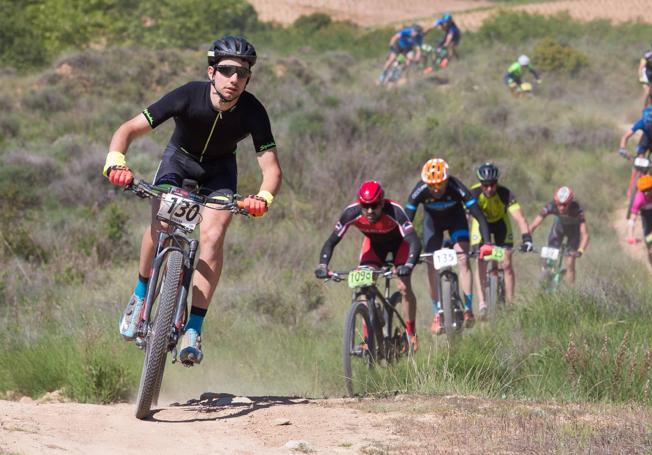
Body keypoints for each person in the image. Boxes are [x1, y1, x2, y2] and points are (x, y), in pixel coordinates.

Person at [105, 36, 282, 365]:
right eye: (227, 70)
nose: (234, 79)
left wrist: (263, 197)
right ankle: (140, 295)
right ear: (211, 71)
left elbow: (271, 168)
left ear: (248, 79)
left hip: (219, 172)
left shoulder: (254, 111)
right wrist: (116, 161)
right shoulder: (187, 95)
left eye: (242, 74)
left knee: (212, 236)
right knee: (160, 222)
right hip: (179, 161)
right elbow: (128, 129)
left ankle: (193, 329)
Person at [315, 181, 422, 351]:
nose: (370, 211)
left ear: (381, 202)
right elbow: (331, 242)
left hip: (400, 244)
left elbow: (414, 241)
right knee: (362, 285)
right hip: (374, 246)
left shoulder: (395, 211)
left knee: (403, 285)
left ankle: (411, 333)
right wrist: (323, 265)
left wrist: (408, 265)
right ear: (360, 204)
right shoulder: (351, 213)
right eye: (365, 206)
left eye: (374, 206)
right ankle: (368, 339)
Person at [405, 158, 493, 333]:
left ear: (446, 180)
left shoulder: (456, 186)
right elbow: (406, 222)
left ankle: (468, 308)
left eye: (440, 185)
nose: (437, 190)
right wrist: (400, 247)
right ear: (425, 182)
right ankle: (436, 313)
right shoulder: (420, 189)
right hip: (433, 225)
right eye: (432, 186)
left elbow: (479, 216)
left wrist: (487, 243)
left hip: (456, 221)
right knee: (430, 263)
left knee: (462, 258)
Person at [469, 163, 533, 312]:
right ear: (481, 184)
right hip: (480, 226)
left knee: (506, 263)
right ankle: (483, 302)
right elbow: (465, 217)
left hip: (500, 225)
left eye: (492, 184)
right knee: (480, 259)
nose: (489, 188)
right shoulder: (473, 193)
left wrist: (527, 239)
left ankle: (510, 305)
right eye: (485, 185)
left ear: (497, 182)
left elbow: (520, 218)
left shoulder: (505, 194)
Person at [529, 186, 589, 285]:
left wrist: (580, 250)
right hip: (559, 229)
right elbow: (534, 225)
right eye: (559, 204)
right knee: (546, 257)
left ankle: (570, 292)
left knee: (570, 263)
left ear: (570, 202)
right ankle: (546, 278)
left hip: (573, 232)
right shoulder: (551, 205)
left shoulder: (577, 209)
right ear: (555, 201)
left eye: (564, 205)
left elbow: (585, 234)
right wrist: (527, 239)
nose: (561, 207)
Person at [619, 107, 652, 173]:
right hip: (646, 139)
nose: (650, 124)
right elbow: (626, 136)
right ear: (644, 119)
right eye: (647, 122)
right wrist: (622, 148)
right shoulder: (641, 122)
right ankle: (635, 178)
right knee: (639, 161)